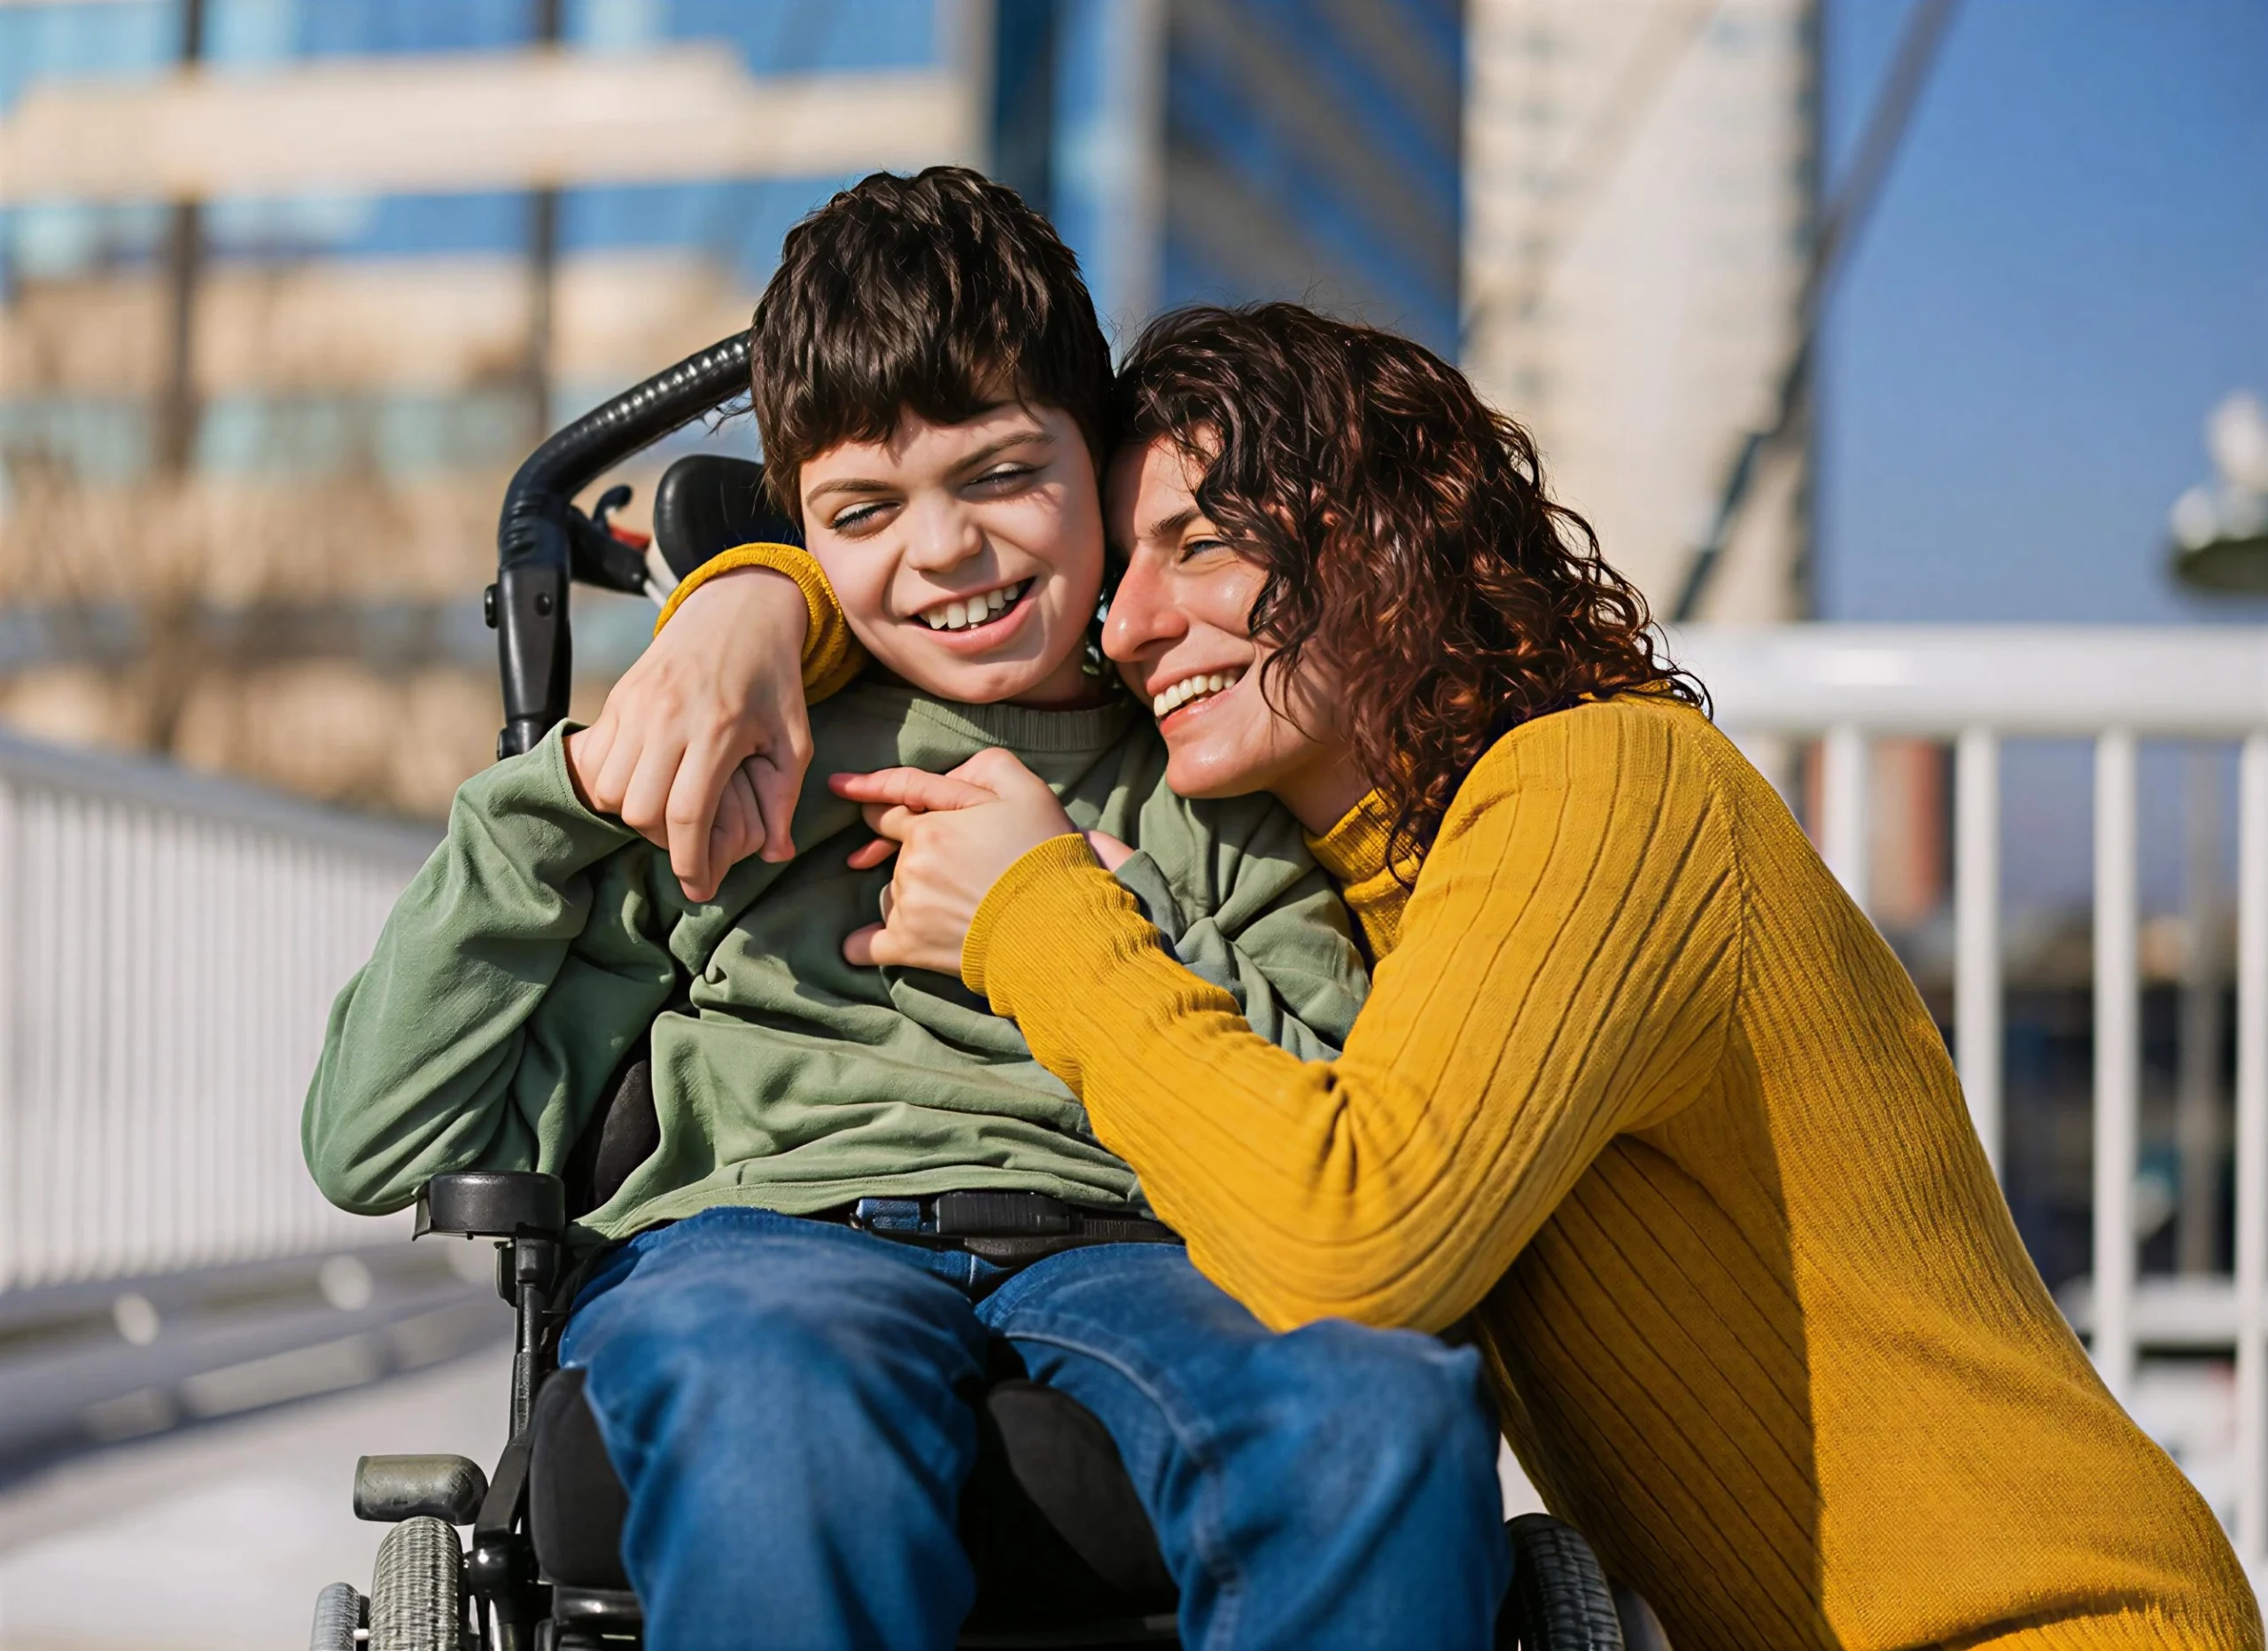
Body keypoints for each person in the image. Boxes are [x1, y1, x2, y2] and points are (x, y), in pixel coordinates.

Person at [636, 304, 2262, 1647]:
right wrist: (752, 601)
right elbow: (948, 599)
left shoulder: (1605, 794)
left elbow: (1357, 1234)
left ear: (1382, 541)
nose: (1125, 626)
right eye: (1120, 567)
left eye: (1197, 545)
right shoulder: (1359, 891)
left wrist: (1039, 914)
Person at [303, 186, 1511, 1651]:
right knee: (772, 1406)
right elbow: (373, 1141)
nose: (940, 551)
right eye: (863, 512)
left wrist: (1107, 925)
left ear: (1099, 462)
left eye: (1001, 475)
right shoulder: (742, 754)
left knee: (1373, 1411)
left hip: (1142, 1245)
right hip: (765, 1233)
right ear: (802, 525)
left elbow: (1340, 1104)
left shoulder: (1208, 771)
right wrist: (565, 786)